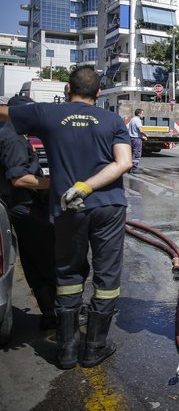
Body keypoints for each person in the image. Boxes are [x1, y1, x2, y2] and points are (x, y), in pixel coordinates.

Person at [0, 67, 132, 370]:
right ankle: (94, 348)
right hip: (108, 205)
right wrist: (87, 187)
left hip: (67, 207)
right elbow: (124, 163)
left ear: (68, 90)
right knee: (107, 278)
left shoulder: (49, 113)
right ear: (99, 93)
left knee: (69, 275)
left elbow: (6, 114)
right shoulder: (112, 120)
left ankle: (67, 351)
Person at [0, 95, 57, 330]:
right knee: (48, 261)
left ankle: (49, 313)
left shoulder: (9, 133)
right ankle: (59, 311)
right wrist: (54, 184)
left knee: (34, 263)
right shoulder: (12, 138)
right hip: (25, 207)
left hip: (20, 207)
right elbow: (20, 179)